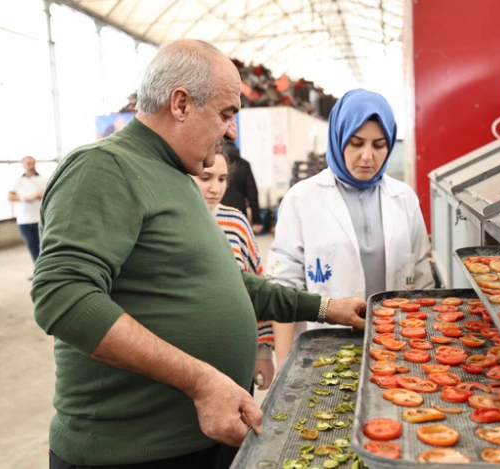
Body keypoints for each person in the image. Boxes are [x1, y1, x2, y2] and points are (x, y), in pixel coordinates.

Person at [32, 39, 365, 469]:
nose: (231, 131)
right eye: (227, 114)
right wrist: (200, 380)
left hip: (204, 436)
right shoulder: (104, 168)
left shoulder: (177, 177)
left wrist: (326, 307)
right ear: (181, 103)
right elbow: (62, 296)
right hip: (133, 453)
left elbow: (226, 283)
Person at [267, 89, 435, 367]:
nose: (367, 156)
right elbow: (285, 287)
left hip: (395, 344)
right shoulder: (302, 199)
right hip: (325, 348)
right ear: (338, 138)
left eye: (379, 145)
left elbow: (421, 282)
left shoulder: (404, 199)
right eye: (356, 143)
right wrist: (284, 361)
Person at [192, 150, 278, 392]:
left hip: (235, 356)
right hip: (184, 360)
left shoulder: (236, 222)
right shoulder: (166, 222)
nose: (215, 189)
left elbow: (257, 287)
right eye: (206, 178)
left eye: (222, 179)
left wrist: (263, 351)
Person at [7, 156, 47, 264]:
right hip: (24, 221)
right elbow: (10, 196)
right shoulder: (17, 181)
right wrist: (23, 197)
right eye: (29, 164)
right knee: (32, 247)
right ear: (23, 165)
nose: (31, 166)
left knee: (44, 247)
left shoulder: (43, 179)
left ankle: (47, 270)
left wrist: (38, 196)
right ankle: (38, 271)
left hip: (39, 219)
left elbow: (50, 195)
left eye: (33, 163)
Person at [220, 142, 263, 233]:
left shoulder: (216, 163)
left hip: (218, 209)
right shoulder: (244, 164)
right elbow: (252, 194)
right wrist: (257, 220)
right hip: (239, 212)